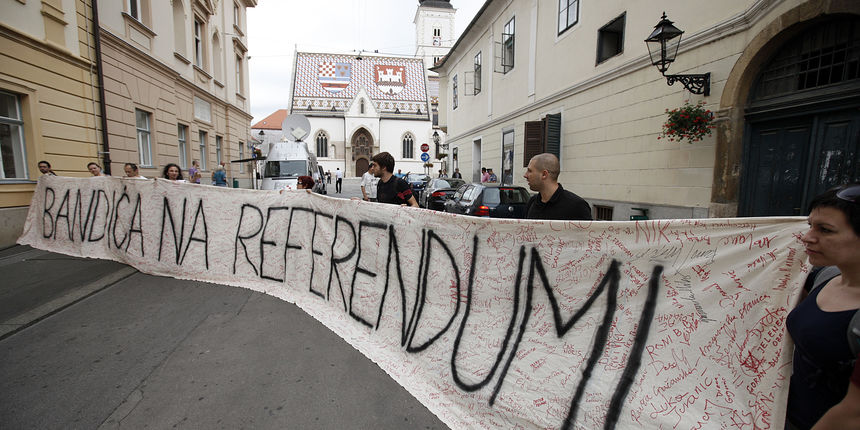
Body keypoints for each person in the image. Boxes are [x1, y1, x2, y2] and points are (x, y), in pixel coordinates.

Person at [786, 184, 860, 429]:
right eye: (810, 225)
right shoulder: (826, 275)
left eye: (825, 230)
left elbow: (853, 414)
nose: (807, 237)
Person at [522, 153, 591, 221]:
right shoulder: (532, 202)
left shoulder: (577, 206)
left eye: (530, 171)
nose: (525, 175)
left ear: (544, 174)